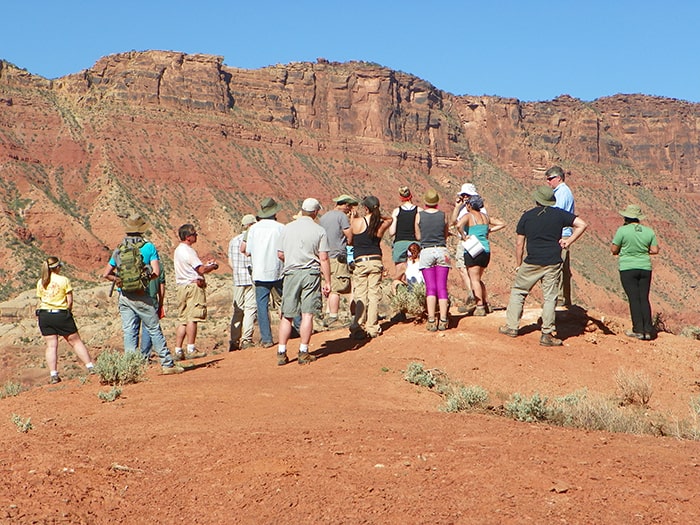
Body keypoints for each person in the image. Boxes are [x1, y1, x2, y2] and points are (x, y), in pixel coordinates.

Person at [498, 187, 587, 346]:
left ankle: (512, 327)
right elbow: (582, 224)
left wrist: (519, 264)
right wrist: (568, 241)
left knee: (519, 291)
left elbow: (519, 244)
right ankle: (547, 334)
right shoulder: (559, 214)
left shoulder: (527, 216)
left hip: (531, 261)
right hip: (552, 262)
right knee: (550, 297)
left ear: (537, 200)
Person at [103, 214, 184, 374]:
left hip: (124, 295)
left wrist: (120, 281)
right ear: (141, 230)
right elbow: (156, 272)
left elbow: (106, 274)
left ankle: (130, 368)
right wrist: (143, 279)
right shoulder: (148, 247)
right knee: (153, 328)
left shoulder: (119, 248)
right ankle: (167, 364)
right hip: (142, 294)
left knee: (129, 330)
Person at [276, 198, 332, 365]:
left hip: (291, 273)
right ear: (315, 212)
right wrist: (327, 281)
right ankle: (303, 351)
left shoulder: (287, 228)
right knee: (307, 314)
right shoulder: (319, 231)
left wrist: (292, 259)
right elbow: (323, 258)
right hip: (311, 274)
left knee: (287, 315)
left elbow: (280, 254)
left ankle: (281, 352)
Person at [36, 257, 95, 384]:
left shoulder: (41, 281)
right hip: (61, 314)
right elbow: (70, 301)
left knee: (51, 345)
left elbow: (40, 301)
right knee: (75, 342)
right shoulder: (64, 280)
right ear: (57, 267)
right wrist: (68, 312)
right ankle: (90, 367)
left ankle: (53, 375)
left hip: (44, 315)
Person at [611, 204, 659, 340]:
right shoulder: (649, 231)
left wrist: (626, 251)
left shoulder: (622, 231)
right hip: (645, 268)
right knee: (644, 298)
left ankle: (638, 330)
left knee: (634, 298)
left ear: (626, 217)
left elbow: (614, 249)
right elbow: (655, 250)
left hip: (627, 268)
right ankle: (648, 330)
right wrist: (643, 251)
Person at [348, 195, 393, 339]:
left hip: (361, 261)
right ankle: (372, 327)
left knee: (361, 295)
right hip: (375, 260)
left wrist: (354, 217)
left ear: (365, 208)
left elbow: (350, 239)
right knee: (373, 295)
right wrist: (376, 214)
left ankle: (358, 325)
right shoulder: (379, 225)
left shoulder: (356, 222)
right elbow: (390, 219)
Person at [243, 197, 285, 348]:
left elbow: (247, 251)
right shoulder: (281, 227)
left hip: (259, 272)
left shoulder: (253, 229)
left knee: (262, 305)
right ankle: (297, 328)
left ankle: (267, 339)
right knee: (286, 301)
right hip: (278, 270)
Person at [173, 223, 219, 359]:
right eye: (194, 234)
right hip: (193, 287)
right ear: (188, 237)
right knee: (193, 318)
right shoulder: (188, 251)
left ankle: (178, 350)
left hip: (181, 287)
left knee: (183, 319)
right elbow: (201, 270)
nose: (196, 236)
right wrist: (213, 266)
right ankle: (191, 349)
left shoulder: (178, 250)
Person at [455, 194, 505, 316]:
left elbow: (458, 225)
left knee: (474, 280)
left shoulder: (469, 216)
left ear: (470, 205)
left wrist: (463, 236)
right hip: (486, 251)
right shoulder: (485, 217)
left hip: (473, 250)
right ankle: (485, 303)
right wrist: (489, 230)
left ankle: (480, 306)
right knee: (478, 279)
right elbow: (502, 224)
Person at [318, 194, 358, 328]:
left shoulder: (323, 217)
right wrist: (352, 220)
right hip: (338, 256)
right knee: (338, 287)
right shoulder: (341, 217)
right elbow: (349, 235)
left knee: (330, 284)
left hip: (326, 256)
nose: (350, 209)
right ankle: (334, 317)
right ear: (345, 205)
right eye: (349, 206)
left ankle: (330, 315)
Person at [415, 189, 451, 331]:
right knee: (442, 287)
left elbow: (418, 236)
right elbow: (446, 234)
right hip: (442, 250)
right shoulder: (443, 215)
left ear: (425, 202)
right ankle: (443, 319)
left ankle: (431, 320)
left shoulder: (419, 216)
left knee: (430, 288)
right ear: (436, 202)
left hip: (426, 250)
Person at [451, 183, 485, 313]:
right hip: (473, 242)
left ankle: (473, 298)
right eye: (463, 195)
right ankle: (482, 301)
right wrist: (457, 207)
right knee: (471, 273)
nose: (464, 197)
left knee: (468, 271)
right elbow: (453, 221)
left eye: (466, 195)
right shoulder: (463, 208)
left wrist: (464, 236)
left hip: (469, 242)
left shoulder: (475, 208)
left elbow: (458, 225)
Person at [545, 166, 576, 309]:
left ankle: (558, 299)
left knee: (557, 265)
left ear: (558, 178)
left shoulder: (562, 192)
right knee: (563, 267)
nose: (548, 182)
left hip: (561, 234)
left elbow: (558, 213)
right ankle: (565, 298)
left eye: (550, 179)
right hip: (564, 233)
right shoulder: (563, 191)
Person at [228, 214, 258, 351]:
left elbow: (230, 262)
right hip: (251, 278)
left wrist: (237, 271)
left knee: (238, 310)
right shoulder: (254, 239)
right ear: (252, 225)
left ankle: (234, 341)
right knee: (250, 309)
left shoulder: (233, 241)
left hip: (238, 279)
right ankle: (246, 339)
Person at [389, 186, 421, 288]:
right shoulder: (419, 210)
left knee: (400, 272)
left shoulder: (396, 211)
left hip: (400, 243)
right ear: (411, 196)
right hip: (415, 244)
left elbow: (391, 232)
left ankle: (400, 293)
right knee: (415, 270)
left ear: (401, 197)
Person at [137, 266, 165, 361]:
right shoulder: (158, 266)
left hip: (134, 299)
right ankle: (144, 356)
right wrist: (161, 303)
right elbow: (161, 287)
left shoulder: (138, 264)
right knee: (149, 328)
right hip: (152, 300)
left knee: (132, 329)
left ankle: (132, 357)